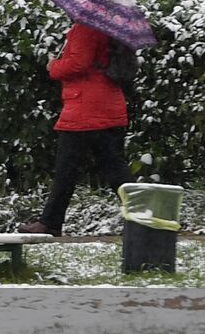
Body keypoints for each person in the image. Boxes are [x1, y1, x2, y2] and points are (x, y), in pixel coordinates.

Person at [19, 21, 131, 237]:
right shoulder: (111, 28)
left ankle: (49, 223)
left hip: (84, 108)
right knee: (115, 169)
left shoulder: (86, 27)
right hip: (108, 104)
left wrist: (54, 66)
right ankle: (145, 217)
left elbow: (78, 64)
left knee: (66, 169)